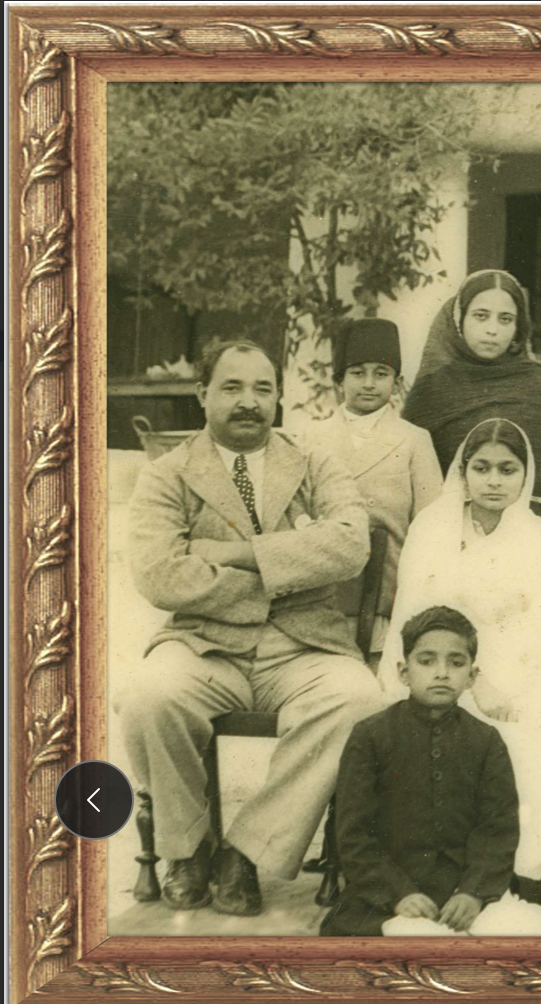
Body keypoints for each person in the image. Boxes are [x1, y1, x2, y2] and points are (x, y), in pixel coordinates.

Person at [118, 339, 385, 916]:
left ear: (278, 396)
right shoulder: (166, 474)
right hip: (204, 644)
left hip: (304, 644)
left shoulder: (314, 462)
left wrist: (235, 554)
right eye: (232, 387)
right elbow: (160, 575)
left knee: (358, 699)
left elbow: (349, 545)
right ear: (202, 394)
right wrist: (289, 569)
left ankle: (246, 850)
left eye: (263, 389)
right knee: (148, 696)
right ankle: (189, 848)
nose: (249, 402)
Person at [380, 418, 541, 881]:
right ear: (464, 472)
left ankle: (524, 878)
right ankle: (445, 873)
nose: (494, 481)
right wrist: (477, 680)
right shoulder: (431, 530)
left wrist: (508, 683)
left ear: (525, 474)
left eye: (507, 470)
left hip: (528, 668)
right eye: (482, 468)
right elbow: (418, 616)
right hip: (446, 664)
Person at [323, 606, 541, 937]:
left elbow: (497, 830)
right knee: (417, 941)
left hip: (463, 892)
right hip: (388, 895)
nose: (442, 673)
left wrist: (473, 893)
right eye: (426, 661)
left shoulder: (486, 741)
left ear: (471, 676)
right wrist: (399, 894)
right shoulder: (370, 736)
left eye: (456, 663)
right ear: (404, 672)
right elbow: (353, 834)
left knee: (530, 929)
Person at [296, 318, 443, 657]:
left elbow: (432, 526)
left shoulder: (414, 440)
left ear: (397, 382)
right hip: (325, 592)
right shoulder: (310, 439)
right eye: (357, 373)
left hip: (388, 594)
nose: (369, 383)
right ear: (338, 381)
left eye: (381, 373)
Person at [404, 269, 541, 526]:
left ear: (519, 327)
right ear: (459, 318)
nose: (492, 330)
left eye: (505, 319)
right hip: (451, 531)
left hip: (533, 535)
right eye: (481, 316)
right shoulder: (432, 390)